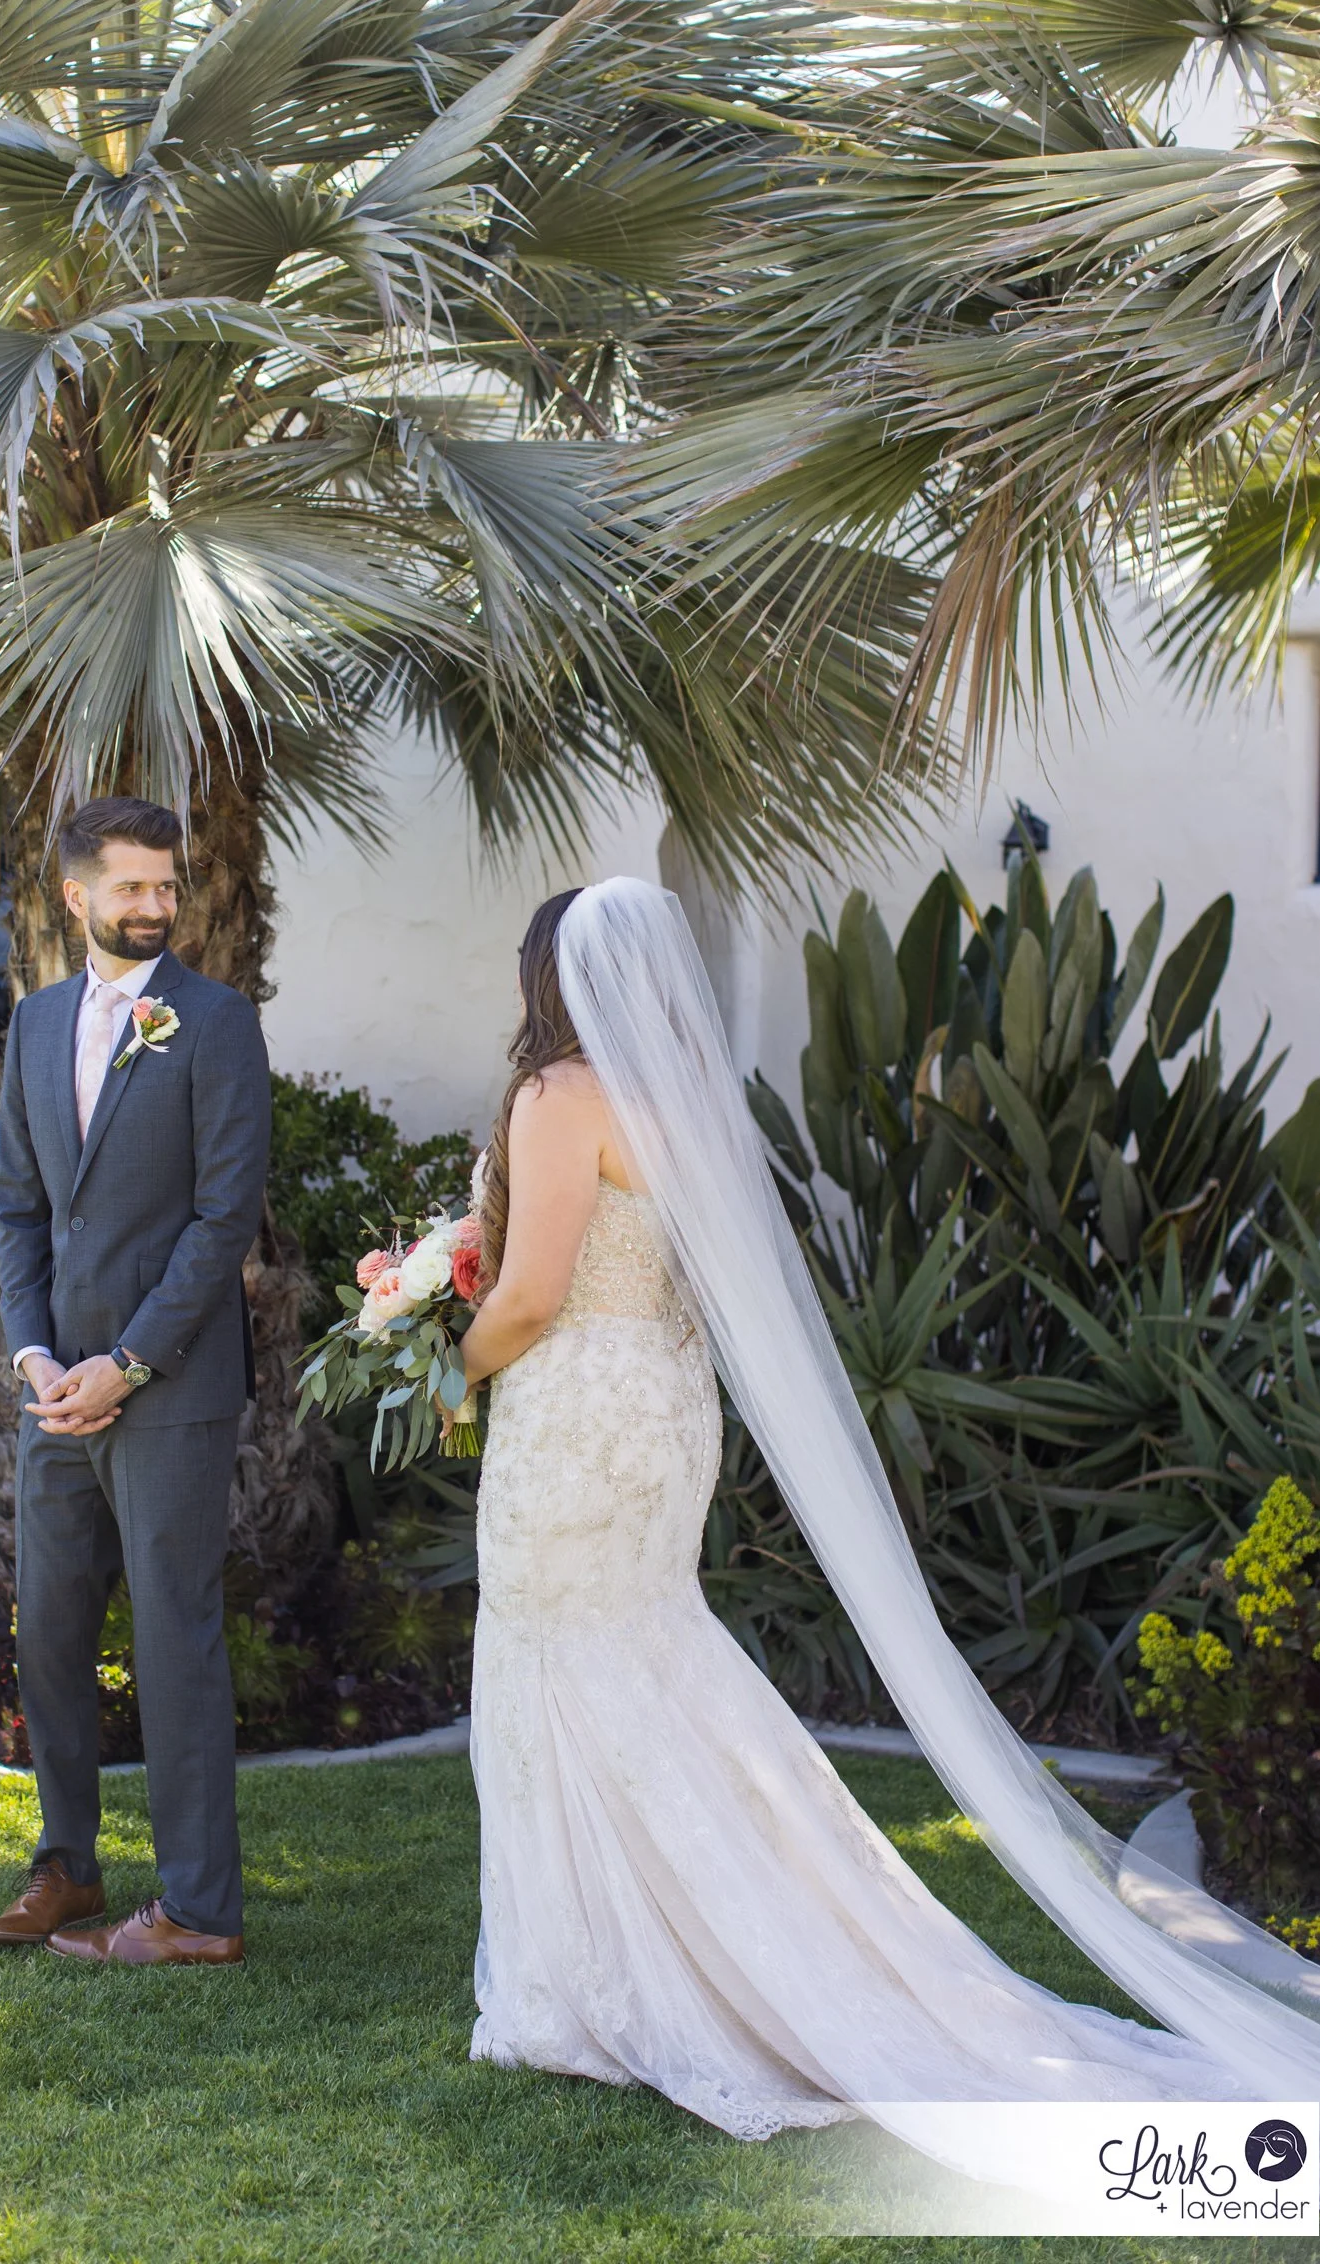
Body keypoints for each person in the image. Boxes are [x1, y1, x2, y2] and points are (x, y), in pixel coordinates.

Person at [455, 878, 1320, 2169]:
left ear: (547, 976)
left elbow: (527, 1297)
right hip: (664, 1410)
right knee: (646, 1653)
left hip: (574, 1406)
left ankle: (581, 1983)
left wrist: (445, 1360)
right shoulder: (681, 1098)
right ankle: (682, 1950)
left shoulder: (557, 1094)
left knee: (552, 1655)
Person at [0, 796, 269, 1965]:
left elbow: (222, 1215)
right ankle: (68, 1868)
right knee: (46, 1628)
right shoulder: (38, 1027)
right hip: (56, 1392)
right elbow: (18, 1202)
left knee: (173, 1638)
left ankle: (199, 1910)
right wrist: (37, 1354)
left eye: (167, 884)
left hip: (170, 1388)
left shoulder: (216, 1022)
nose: (155, 905)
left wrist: (128, 1363)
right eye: (132, 887)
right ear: (75, 896)